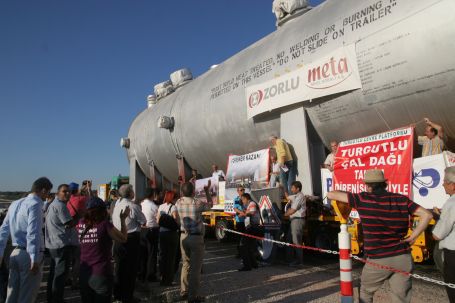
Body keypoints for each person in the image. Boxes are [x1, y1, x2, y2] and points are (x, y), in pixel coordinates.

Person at [327, 169, 432, 303]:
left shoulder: (362, 199)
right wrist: (413, 237)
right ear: (384, 184)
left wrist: (346, 193)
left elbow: (331, 194)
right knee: (401, 298)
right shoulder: (401, 199)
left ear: (368, 185)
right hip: (403, 257)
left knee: (365, 292)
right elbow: (427, 215)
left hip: (378, 259)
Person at [0, 177, 53, 303]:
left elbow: (3, 230)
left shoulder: (14, 203)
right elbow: (33, 232)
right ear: (44, 190)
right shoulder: (35, 204)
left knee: (11, 294)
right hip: (29, 254)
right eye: (48, 192)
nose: (47, 196)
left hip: (15, 252)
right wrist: (34, 258)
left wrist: (1, 253)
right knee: (27, 296)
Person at [78, 196, 129, 303]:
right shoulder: (105, 225)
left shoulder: (80, 224)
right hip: (101, 273)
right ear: (102, 211)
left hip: (84, 273)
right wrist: (123, 219)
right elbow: (123, 238)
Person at [176, 181, 212, 303]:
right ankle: (193, 296)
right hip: (196, 238)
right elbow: (210, 205)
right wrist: (207, 191)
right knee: (196, 269)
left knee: (186, 265)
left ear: (182, 192)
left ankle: (183, 292)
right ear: (193, 192)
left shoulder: (178, 202)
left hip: (183, 236)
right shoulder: (197, 203)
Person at [112, 184, 146, 303]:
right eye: (132, 190)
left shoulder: (117, 204)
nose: (134, 192)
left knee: (119, 267)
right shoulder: (133, 206)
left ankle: (117, 294)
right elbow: (143, 221)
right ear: (130, 193)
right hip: (131, 239)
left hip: (117, 237)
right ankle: (128, 297)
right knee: (130, 269)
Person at [45, 184, 74, 303]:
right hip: (60, 244)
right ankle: (57, 299)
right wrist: (80, 217)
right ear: (58, 193)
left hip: (53, 243)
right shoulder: (60, 206)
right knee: (60, 275)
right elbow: (69, 223)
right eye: (64, 191)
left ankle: (51, 298)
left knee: (53, 274)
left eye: (69, 192)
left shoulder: (53, 204)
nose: (67, 194)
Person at [432, 166, 455, 303]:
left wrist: (437, 218)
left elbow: (438, 235)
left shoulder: (451, 203)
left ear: (452, 185)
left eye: (445, 182)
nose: (442, 184)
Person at [156, 191, 179, 286]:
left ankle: (162, 277)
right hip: (171, 234)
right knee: (171, 257)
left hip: (162, 233)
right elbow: (175, 220)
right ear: (173, 198)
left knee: (162, 256)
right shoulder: (173, 207)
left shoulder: (160, 207)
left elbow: (157, 220)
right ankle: (168, 280)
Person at [67, 182, 86, 290]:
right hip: (78, 230)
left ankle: (66, 279)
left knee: (68, 259)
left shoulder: (66, 201)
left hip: (67, 232)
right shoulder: (81, 199)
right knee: (77, 259)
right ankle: (75, 282)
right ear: (77, 189)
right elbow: (91, 199)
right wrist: (87, 188)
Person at [138, 188, 159, 282]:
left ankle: (141, 274)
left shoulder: (140, 205)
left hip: (141, 230)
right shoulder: (154, 206)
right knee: (152, 254)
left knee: (142, 253)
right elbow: (158, 219)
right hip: (152, 230)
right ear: (152, 195)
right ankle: (151, 275)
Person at [284, 181, 306, 266]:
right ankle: (290, 259)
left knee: (296, 241)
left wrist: (284, 215)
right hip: (293, 220)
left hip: (298, 220)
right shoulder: (296, 196)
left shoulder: (300, 197)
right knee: (289, 239)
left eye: (293, 188)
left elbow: (293, 210)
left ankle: (299, 261)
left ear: (298, 189)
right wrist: (283, 188)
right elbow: (288, 197)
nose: (291, 189)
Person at [238, 193, 260, 272]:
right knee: (250, 247)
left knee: (243, 245)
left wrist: (244, 213)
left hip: (252, 227)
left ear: (246, 199)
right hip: (250, 227)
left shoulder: (252, 203)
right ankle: (254, 264)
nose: (242, 201)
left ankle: (247, 266)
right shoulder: (249, 204)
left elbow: (252, 212)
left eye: (243, 200)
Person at [233, 186, 246, 257]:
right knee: (239, 238)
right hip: (239, 221)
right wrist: (242, 213)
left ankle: (245, 253)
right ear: (238, 191)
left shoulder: (247, 198)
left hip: (246, 221)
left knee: (245, 238)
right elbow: (235, 208)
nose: (242, 191)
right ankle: (239, 253)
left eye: (243, 190)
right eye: (241, 190)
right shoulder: (236, 199)